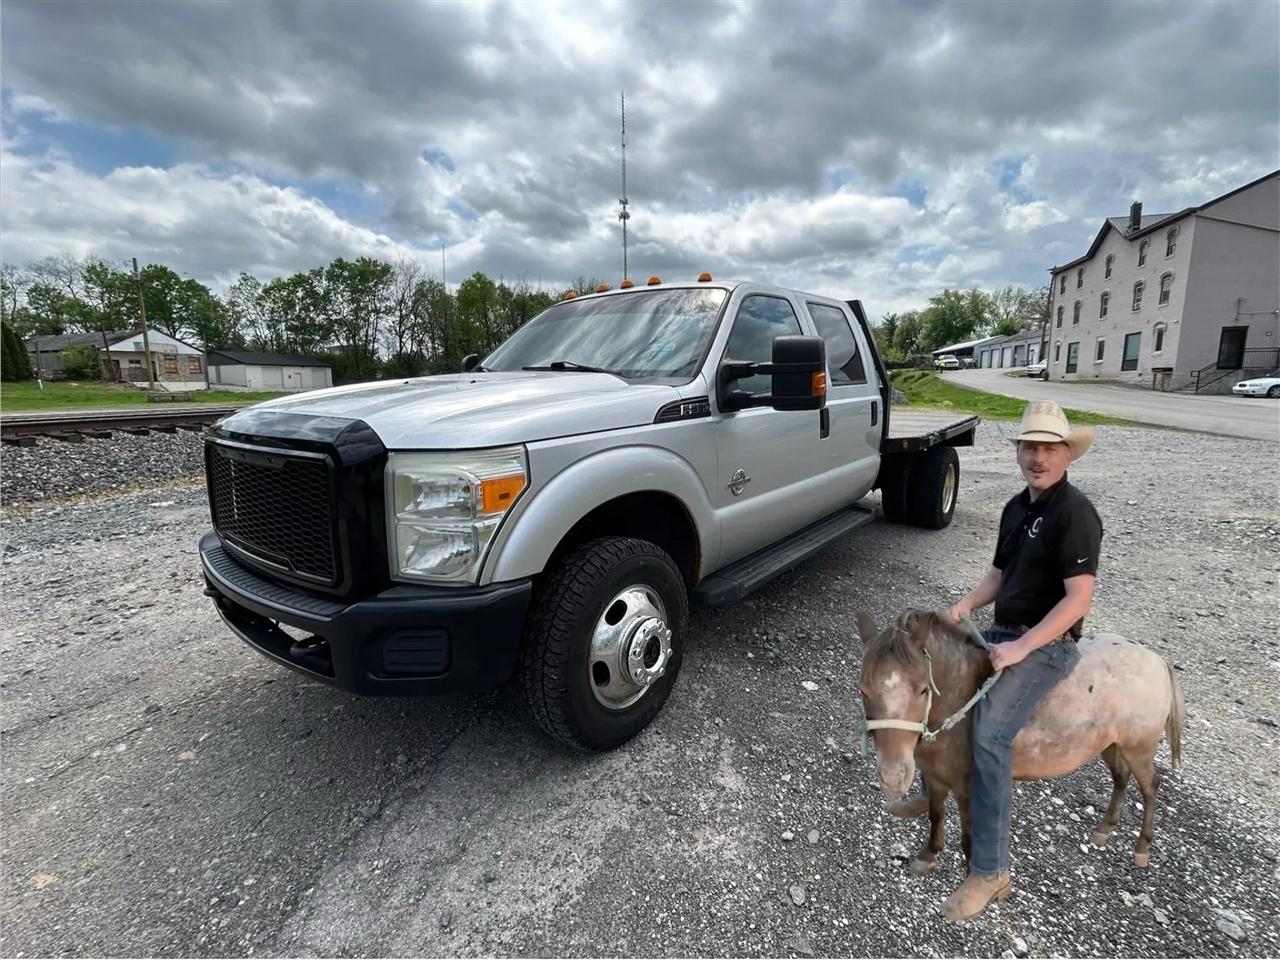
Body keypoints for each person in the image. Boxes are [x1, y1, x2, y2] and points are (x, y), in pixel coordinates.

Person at [912, 400, 1103, 921]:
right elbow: (998, 576)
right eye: (1029, 447)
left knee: (991, 735)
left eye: (1048, 448)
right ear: (1019, 453)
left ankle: (991, 871)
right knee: (932, 690)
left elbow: (1077, 601)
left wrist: (1023, 647)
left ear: (1067, 455)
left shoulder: (1075, 513)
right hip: (1001, 631)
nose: (1037, 457)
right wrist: (964, 606)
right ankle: (932, 793)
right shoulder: (1017, 507)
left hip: (1047, 646)